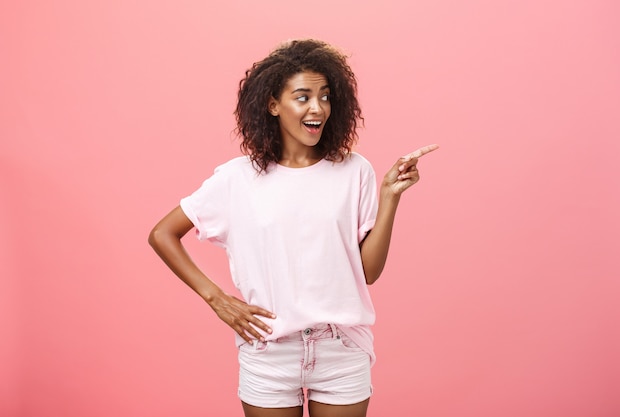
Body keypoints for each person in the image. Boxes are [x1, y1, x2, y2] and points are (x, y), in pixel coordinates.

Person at [148, 39, 438, 417]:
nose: (318, 107)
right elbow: (162, 233)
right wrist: (217, 299)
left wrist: (390, 196)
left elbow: (367, 272)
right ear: (273, 105)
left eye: (325, 96)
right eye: (303, 97)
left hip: (341, 348)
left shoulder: (354, 171)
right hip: (269, 349)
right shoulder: (237, 179)